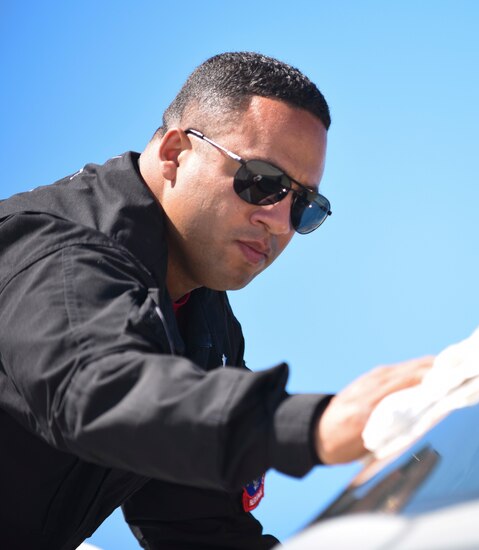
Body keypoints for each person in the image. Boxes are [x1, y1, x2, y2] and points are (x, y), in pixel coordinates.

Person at [0, 52, 432, 549]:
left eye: (304, 206)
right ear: (174, 154)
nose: (279, 221)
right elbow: (101, 392)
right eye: (263, 182)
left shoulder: (204, 326)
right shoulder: (55, 251)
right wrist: (312, 426)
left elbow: (199, 527)